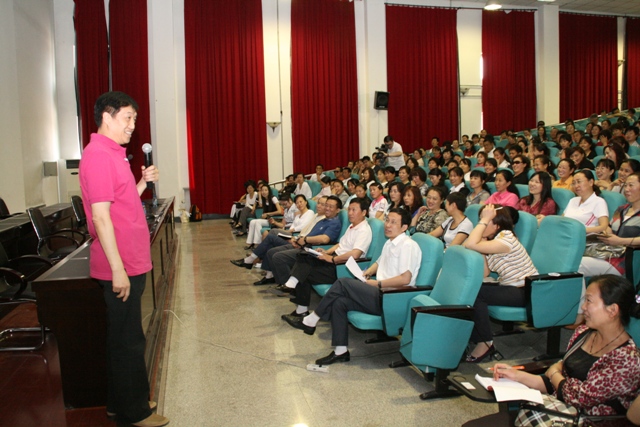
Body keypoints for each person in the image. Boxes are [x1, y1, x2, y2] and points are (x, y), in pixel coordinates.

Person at [79, 91, 168, 427]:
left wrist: (142, 182)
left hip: (130, 260)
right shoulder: (99, 156)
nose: (133, 125)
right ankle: (135, 412)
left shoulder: (112, 154)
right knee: (129, 340)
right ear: (107, 116)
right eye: (127, 117)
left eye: (134, 118)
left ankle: (120, 402)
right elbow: (101, 217)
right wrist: (118, 269)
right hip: (122, 264)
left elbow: (122, 201)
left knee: (122, 336)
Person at [284, 208, 421, 365]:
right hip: (378, 293)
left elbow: (405, 279)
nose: (388, 225)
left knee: (343, 282)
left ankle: (312, 319)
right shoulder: (390, 242)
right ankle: (340, 351)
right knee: (339, 302)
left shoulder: (408, 245)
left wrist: (377, 283)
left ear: (404, 227)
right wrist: (368, 272)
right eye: (387, 220)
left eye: (393, 222)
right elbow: (379, 262)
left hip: (390, 298)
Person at [492, 275, 640, 416]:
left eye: (589, 301)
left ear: (612, 310)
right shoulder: (583, 333)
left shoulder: (627, 359)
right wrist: (516, 375)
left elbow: (578, 398)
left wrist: (554, 373)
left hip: (591, 421)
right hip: (560, 409)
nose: (583, 307)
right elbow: (557, 385)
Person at [463, 204, 538, 363]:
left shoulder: (507, 238)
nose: (481, 224)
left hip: (526, 290)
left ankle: (485, 343)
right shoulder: (492, 241)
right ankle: (474, 337)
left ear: (497, 225)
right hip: (510, 287)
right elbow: (485, 272)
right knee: (469, 289)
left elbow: (469, 244)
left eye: (485, 221)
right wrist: (481, 242)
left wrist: (479, 236)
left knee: (476, 293)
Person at [276, 198, 373, 315]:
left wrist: (332, 259)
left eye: (354, 210)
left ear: (364, 212)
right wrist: (327, 252)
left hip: (341, 267)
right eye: (349, 210)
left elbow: (355, 254)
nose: (350, 213)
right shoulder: (352, 226)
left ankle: (300, 308)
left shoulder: (363, 230)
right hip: (335, 259)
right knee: (304, 255)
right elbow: (340, 244)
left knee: (304, 272)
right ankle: (292, 286)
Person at [267, 196, 344, 290]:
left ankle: (288, 287)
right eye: (326, 205)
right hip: (303, 245)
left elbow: (325, 239)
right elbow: (309, 234)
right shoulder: (322, 220)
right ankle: (283, 283)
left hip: (312, 249)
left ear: (337, 210)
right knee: (271, 252)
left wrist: (305, 240)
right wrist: (300, 241)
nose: (327, 208)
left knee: (279, 257)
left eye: (331, 207)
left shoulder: (334, 223)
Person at [580, 172, 640, 278]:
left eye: (631, 185)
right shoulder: (622, 209)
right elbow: (609, 226)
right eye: (625, 185)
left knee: (576, 266)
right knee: (572, 260)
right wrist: (606, 233)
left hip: (626, 260)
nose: (626, 189)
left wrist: (620, 241)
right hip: (608, 253)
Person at [561, 170, 609, 234]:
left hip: (584, 237)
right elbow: (562, 219)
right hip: (565, 234)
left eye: (579, 182)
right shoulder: (573, 200)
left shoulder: (599, 202)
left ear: (591, 182)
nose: (576, 186)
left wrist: (580, 230)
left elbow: (603, 227)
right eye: (574, 183)